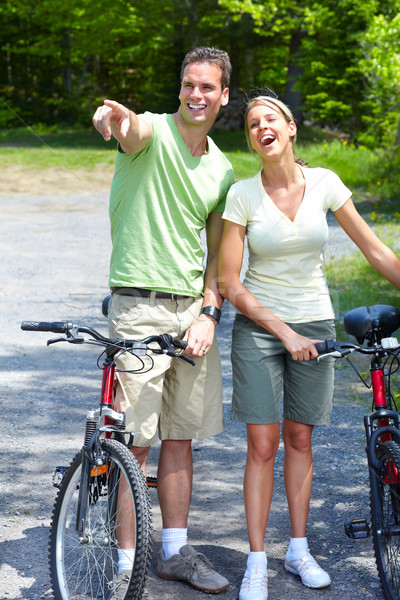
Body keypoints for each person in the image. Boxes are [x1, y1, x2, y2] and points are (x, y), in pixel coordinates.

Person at [218, 93, 400, 600]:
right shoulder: (242, 195)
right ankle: (256, 562)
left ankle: (298, 550)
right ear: (251, 138)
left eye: (269, 119)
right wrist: (285, 332)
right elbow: (231, 283)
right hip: (260, 328)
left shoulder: (325, 183)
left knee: (301, 441)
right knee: (263, 445)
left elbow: (374, 248)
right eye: (252, 124)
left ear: (291, 128)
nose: (261, 128)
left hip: (314, 321)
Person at [92, 46, 234, 597]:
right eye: (188, 85)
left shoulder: (221, 168)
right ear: (180, 88)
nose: (195, 95)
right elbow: (125, 125)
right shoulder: (151, 131)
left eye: (207, 88)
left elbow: (217, 259)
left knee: (180, 438)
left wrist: (209, 312)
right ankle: (127, 563)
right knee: (137, 442)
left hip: (190, 315)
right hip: (140, 304)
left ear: (223, 96)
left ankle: (174, 552)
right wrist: (111, 117)